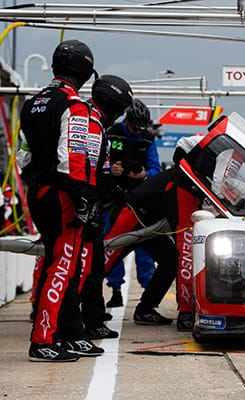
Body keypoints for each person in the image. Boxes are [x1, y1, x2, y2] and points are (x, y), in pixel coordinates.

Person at [101, 119, 245, 331]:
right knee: (105, 260)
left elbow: (194, 157)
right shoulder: (231, 153)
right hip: (135, 211)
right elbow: (221, 187)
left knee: (170, 261)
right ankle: (184, 313)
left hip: (154, 216)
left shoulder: (213, 148)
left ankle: (145, 309)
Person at [19, 39, 104, 362]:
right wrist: (85, 198)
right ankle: (43, 340)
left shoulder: (32, 103)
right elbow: (73, 159)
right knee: (62, 267)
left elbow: (23, 158)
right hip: (64, 196)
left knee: (54, 264)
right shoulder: (74, 106)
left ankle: (63, 334)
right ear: (83, 71)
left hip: (38, 193)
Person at [78, 75, 134, 340]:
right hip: (84, 206)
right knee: (89, 268)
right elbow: (87, 169)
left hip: (91, 203)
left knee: (93, 266)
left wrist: (112, 191)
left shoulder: (93, 120)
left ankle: (90, 320)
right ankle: (83, 324)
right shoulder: (91, 123)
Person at [104, 98, 160, 308]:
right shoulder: (112, 134)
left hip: (139, 198)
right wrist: (112, 170)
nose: (138, 132)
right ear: (127, 122)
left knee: (144, 245)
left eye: (141, 129)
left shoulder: (147, 138)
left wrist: (145, 175)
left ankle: (148, 293)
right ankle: (115, 289)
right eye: (135, 128)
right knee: (113, 244)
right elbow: (99, 161)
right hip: (112, 198)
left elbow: (155, 169)